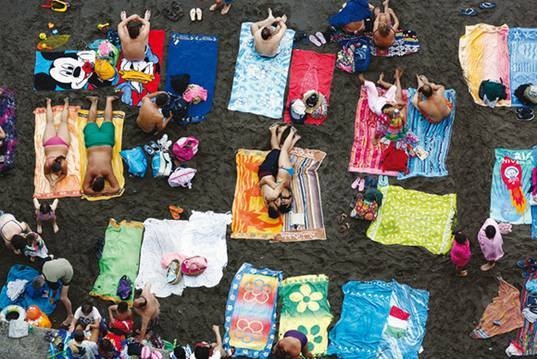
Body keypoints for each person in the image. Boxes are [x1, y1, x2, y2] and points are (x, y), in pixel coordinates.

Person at [82, 96, 121, 197]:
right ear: (94, 180)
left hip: (106, 141)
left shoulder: (107, 172)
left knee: (107, 119)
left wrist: (103, 192)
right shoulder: (91, 173)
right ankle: (94, 102)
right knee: (91, 121)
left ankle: (109, 100)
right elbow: (85, 189)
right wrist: (100, 193)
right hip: (93, 142)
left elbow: (116, 188)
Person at [43, 97, 70, 189]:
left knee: (53, 123)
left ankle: (49, 102)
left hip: (57, 143)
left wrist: (52, 181)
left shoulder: (48, 164)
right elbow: (64, 174)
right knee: (61, 123)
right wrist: (54, 181)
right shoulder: (62, 164)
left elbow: (46, 174)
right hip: (52, 143)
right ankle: (64, 102)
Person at [41, 257, 74, 326]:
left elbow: (55, 290)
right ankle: (61, 273)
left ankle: (70, 315)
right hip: (63, 261)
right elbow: (49, 257)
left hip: (69, 271)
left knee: (63, 297)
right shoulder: (43, 265)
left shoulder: (51, 280)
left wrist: (52, 298)